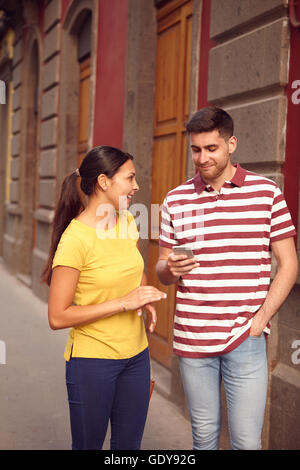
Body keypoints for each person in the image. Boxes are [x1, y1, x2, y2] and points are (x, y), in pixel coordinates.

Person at [156, 106, 298, 450]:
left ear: (231, 144)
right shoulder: (175, 200)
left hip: (244, 337)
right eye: (196, 149)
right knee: (203, 437)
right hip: (193, 339)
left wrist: (260, 320)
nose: (202, 158)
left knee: (246, 442)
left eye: (211, 148)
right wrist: (169, 270)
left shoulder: (267, 194)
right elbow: (162, 270)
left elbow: (289, 264)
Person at [41, 146, 166, 450]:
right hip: (93, 362)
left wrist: (144, 295)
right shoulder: (75, 239)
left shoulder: (126, 221)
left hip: (136, 358)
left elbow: (134, 268)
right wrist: (124, 302)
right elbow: (57, 317)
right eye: (130, 178)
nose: (136, 186)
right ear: (104, 181)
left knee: (128, 448)